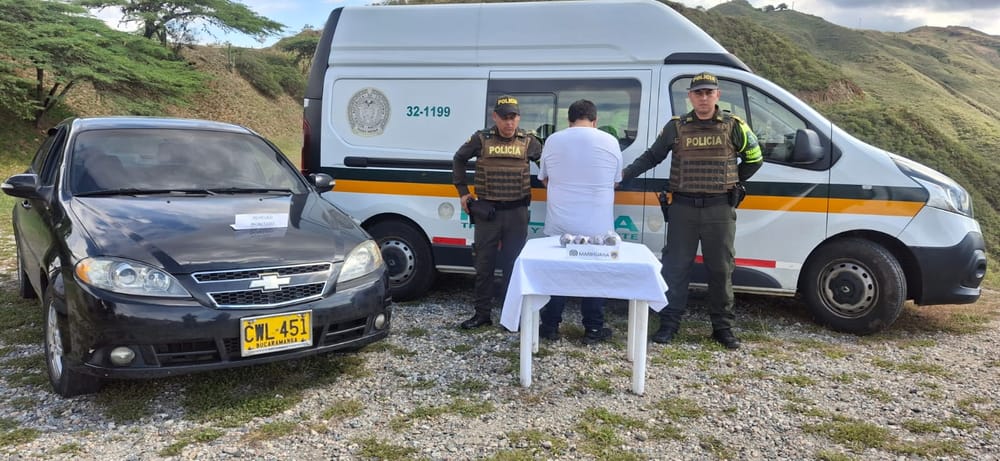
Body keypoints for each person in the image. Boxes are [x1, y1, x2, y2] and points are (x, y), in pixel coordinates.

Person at [620, 71, 763, 350]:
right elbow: (653, 156)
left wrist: (733, 180)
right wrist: (625, 174)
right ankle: (669, 324)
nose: (704, 98)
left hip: (719, 208)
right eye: (698, 93)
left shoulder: (735, 126)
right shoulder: (676, 127)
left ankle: (723, 328)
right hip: (683, 208)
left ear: (717, 95)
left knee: (721, 270)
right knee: (675, 268)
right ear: (690, 97)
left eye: (709, 92)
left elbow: (755, 159)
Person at [536, 99, 623, 344]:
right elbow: (616, 180)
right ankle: (593, 330)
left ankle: (550, 326)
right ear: (595, 121)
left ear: (569, 120)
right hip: (597, 226)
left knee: (558, 275)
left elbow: (544, 178)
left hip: (560, 224)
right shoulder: (610, 141)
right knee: (594, 275)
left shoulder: (553, 140)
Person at [453, 95, 543, 329]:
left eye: (512, 117)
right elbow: (459, 159)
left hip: (517, 212)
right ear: (495, 117)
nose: (508, 123)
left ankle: (510, 316)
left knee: (513, 266)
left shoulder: (529, 142)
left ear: (518, 118)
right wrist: (463, 192)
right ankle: (482, 314)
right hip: (488, 213)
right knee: (484, 265)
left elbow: (547, 164)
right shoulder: (481, 139)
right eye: (504, 118)